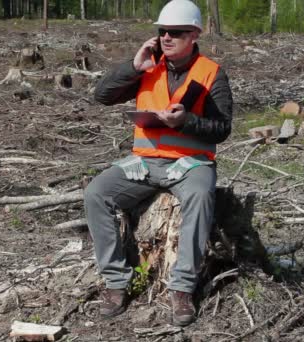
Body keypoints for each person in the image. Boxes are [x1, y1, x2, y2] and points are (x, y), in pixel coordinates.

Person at [84, 0, 233, 327]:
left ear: (194, 34)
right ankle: (115, 282)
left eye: (176, 32)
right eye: (162, 31)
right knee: (97, 193)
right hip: (144, 163)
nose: (167, 37)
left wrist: (187, 122)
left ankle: (181, 288)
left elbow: (222, 129)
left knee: (199, 197)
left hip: (191, 164)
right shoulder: (148, 67)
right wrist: (133, 68)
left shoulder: (211, 73)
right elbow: (102, 95)